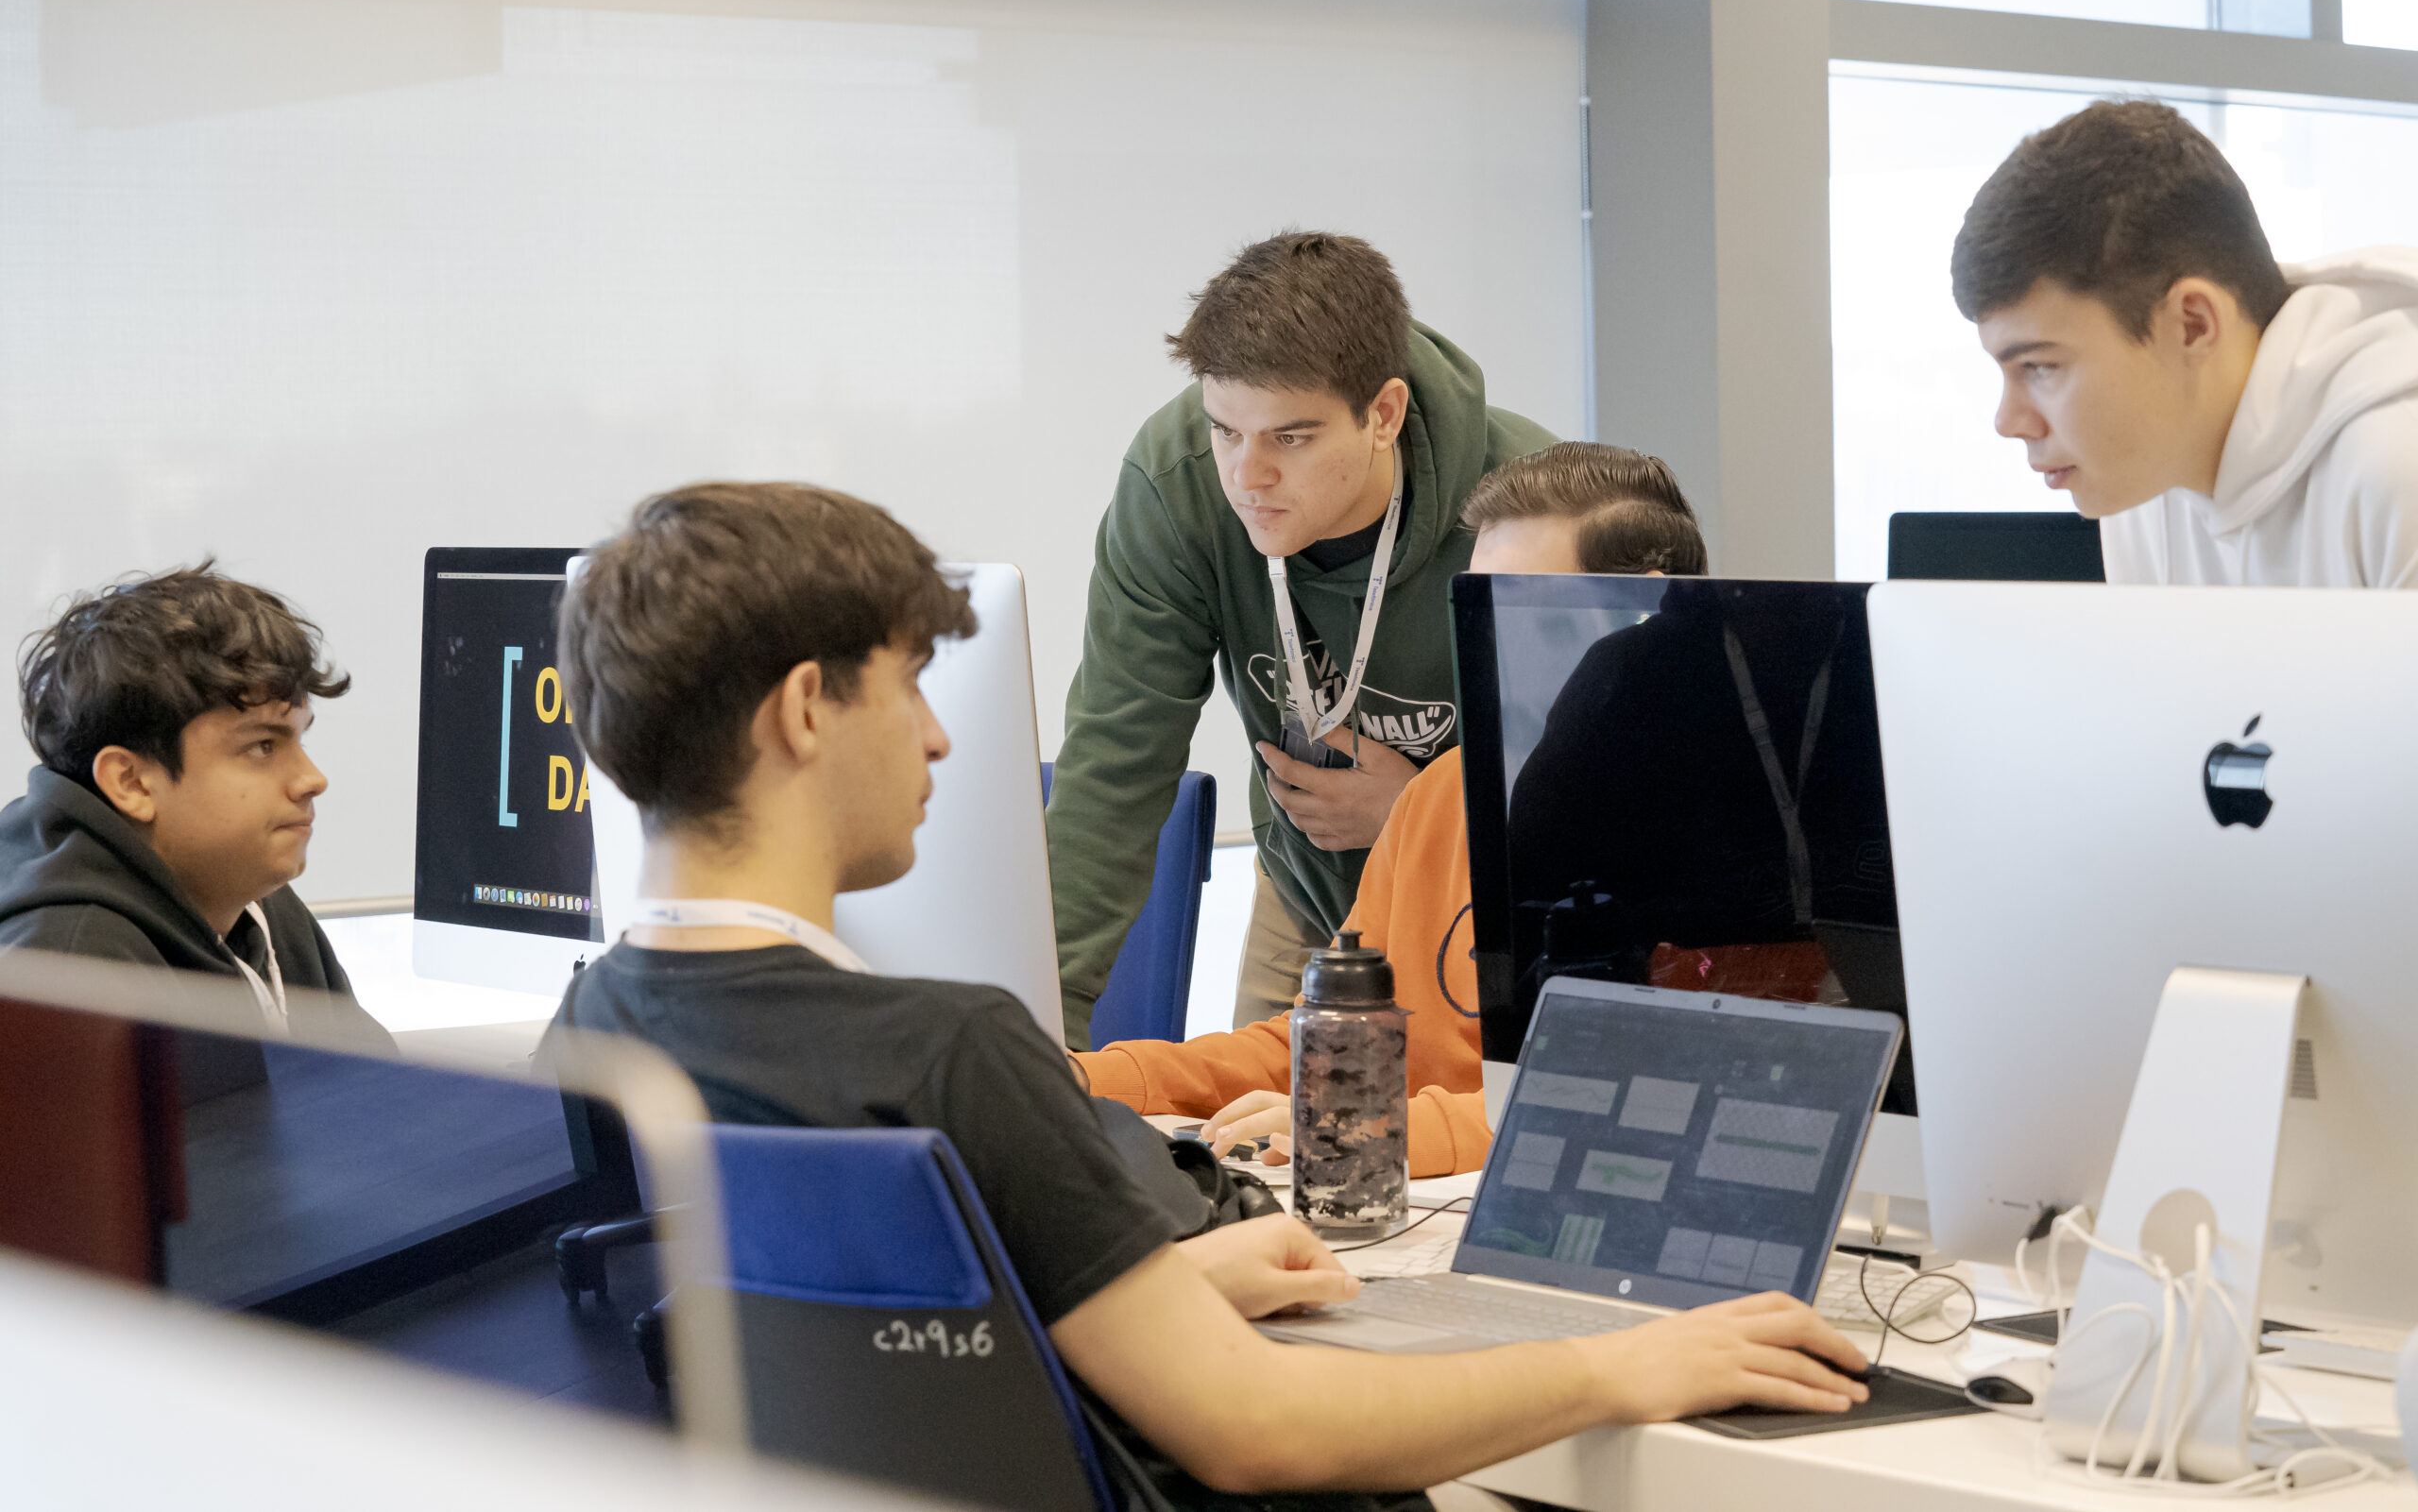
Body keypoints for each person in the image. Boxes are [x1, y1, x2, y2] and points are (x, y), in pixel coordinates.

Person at [548, 481, 1865, 1505]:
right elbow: (1257, 1429)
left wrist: (1139, 1283)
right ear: (803, 711)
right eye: (908, 689)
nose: (939, 735)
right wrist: (1621, 1364)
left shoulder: (596, 1032)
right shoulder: (949, 1052)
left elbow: (847, 1334)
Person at [1073, 445, 1708, 1179]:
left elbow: (1641, 1101)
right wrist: (1094, 1078)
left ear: (1642, 619)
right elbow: (1330, 1047)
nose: (1487, 647)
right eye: (1473, 610)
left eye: (1518, 609)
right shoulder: (1443, 793)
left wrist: (1370, 1130)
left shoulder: (1720, 826)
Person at [1049, 230, 1558, 1045]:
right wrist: (1038, 1036)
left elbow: (1589, 798)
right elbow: (1115, 768)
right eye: (1225, 430)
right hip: (1305, 893)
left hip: (1484, 906)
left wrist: (1423, 812)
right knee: (1255, 1116)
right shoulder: (1178, 488)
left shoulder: (1530, 511)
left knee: (1455, 1119)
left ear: (1383, 414)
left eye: (1290, 438)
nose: (1246, 477)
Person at [1953, 97, 2418, 586]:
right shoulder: (2142, 480)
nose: (2009, 422)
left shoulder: (2396, 461)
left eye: (2040, 367)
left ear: (2193, 324)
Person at [0, 564, 376, 1037]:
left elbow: (371, 1079)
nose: (312, 780)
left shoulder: (248, 895)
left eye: (300, 740)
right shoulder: (70, 974)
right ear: (132, 783)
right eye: (262, 746)